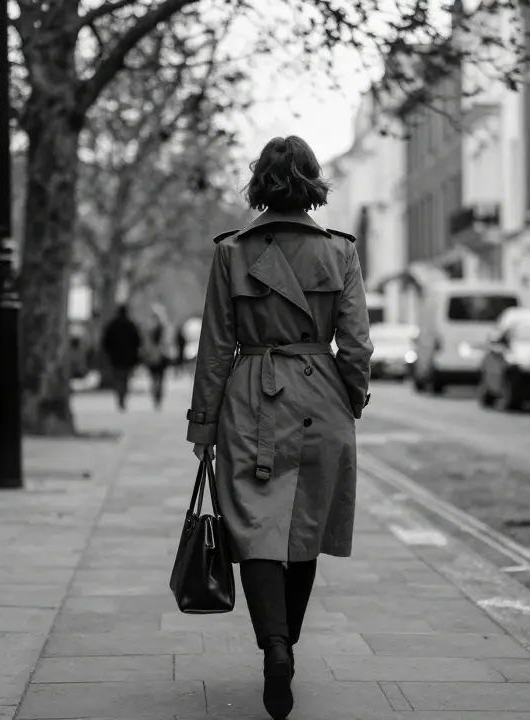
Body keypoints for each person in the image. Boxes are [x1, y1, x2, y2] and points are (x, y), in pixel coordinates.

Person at [185, 135, 373, 720]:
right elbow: (358, 345)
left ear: (259, 183)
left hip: (249, 395)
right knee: (305, 525)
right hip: (321, 394)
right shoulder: (340, 252)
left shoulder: (232, 253)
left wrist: (203, 425)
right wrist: (353, 399)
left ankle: (274, 645)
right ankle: (287, 640)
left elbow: (216, 345)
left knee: (258, 524)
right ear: (314, 182)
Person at [101, 304, 141, 412]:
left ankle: (120, 397)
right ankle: (122, 397)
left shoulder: (112, 325)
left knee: (118, 378)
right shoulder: (131, 325)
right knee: (125, 378)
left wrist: (107, 353)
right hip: (127, 357)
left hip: (115, 356)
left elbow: (105, 341)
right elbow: (137, 342)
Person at [141, 304, 174, 410]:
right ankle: (157, 396)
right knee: (158, 378)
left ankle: (157, 396)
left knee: (157, 378)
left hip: (158, 356)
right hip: (157, 355)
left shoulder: (161, 328)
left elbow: (167, 342)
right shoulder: (155, 328)